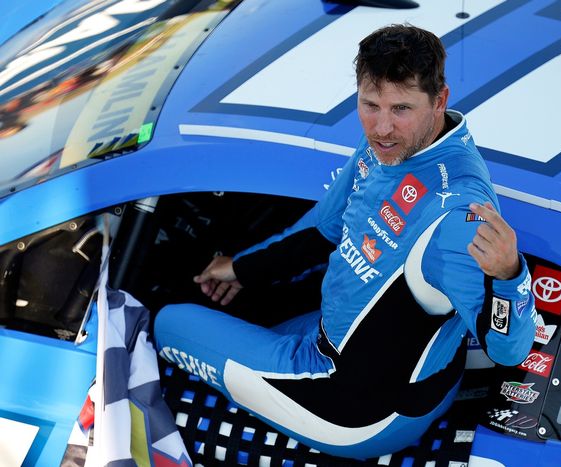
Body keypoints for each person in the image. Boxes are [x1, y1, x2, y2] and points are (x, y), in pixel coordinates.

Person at [155, 24, 536, 459]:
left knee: (166, 321)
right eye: (370, 105)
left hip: (356, 410)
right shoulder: (393, 144)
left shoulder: (455, 216)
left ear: (439, 101)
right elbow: (326, 224)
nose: (382, 127)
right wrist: (243, 267)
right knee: (246, 311)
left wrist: (509, 275)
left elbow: (509, 350)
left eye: (401, 108)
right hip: (355, 346)